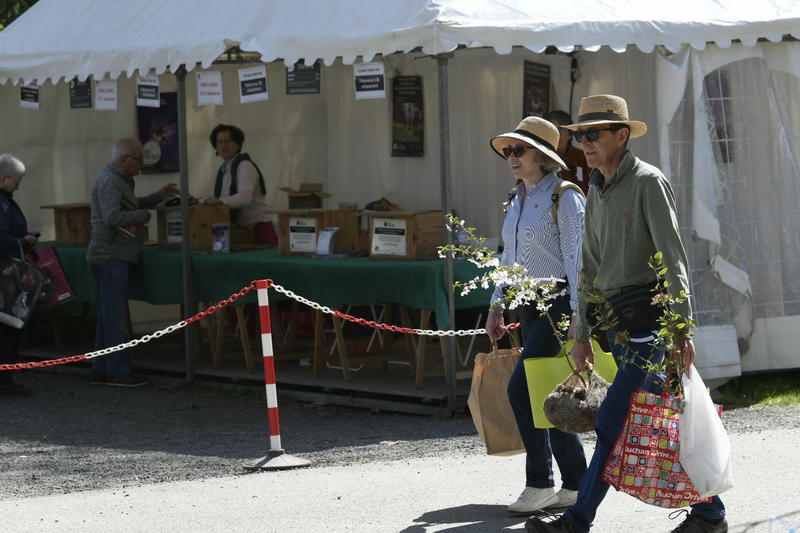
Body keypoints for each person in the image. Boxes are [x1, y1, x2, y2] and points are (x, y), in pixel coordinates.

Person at [525, 95, 728, 533]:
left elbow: (673, 258)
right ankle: (710, 514)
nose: (584, 142)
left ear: (621, 135)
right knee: (658, 422)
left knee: (614, 419)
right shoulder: (596, 187)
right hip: (619, 327)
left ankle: (576, 521)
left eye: (593, 134)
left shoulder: (649, 182)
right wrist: (582, 335)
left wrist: (681, 329)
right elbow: (589, 266)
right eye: (580, 135)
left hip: (653, 327)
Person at [485, 117, 588, 514]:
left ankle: (540, 482)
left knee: (523, 389)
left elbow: (577, 261)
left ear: (543, 156)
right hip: (527, 308)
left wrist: (578, 315)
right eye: (508, 150)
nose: (511, 157)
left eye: (519, 150)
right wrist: (496, 303)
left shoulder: (565, 197)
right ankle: (575, 482)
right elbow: (507, 258)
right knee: (547, 390)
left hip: (558, 307)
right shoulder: (516, 198)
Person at [87, 139, 177, 387]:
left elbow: (128, 205)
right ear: (124, 159)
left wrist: (157, 197)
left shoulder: (119, 180)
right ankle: (118, 371)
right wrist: (144, 216)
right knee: (114, 318)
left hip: (111, 255)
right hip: (110, 256)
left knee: (107, 317)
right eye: (139, 159)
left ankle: (102, 369)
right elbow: (112, 216)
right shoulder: (111, 181)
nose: (141, 165)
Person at [0, 154, 38, 397]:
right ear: (4, 178)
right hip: (4, 277)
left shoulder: (5, 202)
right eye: (17, 180)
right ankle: (3, 380)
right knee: (8, 326)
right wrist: (23, 242)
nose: (18, 185)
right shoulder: (2, 204)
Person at [201, 124, 276, 245]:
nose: (224, 145)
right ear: (215, 146)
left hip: (257, 228)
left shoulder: (244, 165)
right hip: (239, 231)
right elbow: (225, 198)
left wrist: (219, 201)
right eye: (220, 142)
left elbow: (245, 197)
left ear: (238, 144)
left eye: (228, 141)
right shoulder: (223, 170)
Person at [542, 110, 592, 195]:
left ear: (570, 135)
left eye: (560, 129)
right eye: (552, 129)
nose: (556, 134)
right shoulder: (536, 158)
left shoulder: (583, 158)